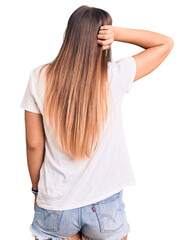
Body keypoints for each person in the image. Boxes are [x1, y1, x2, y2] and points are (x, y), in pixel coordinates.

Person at [20, 5, 174, 240]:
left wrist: (36, 190)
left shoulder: (39, 77)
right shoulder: (115, 75)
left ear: (70, 35)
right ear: (104, 39)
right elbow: (165, 44)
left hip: (56, 204)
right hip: (105, 206)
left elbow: (33, 144)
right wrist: (118, 33)